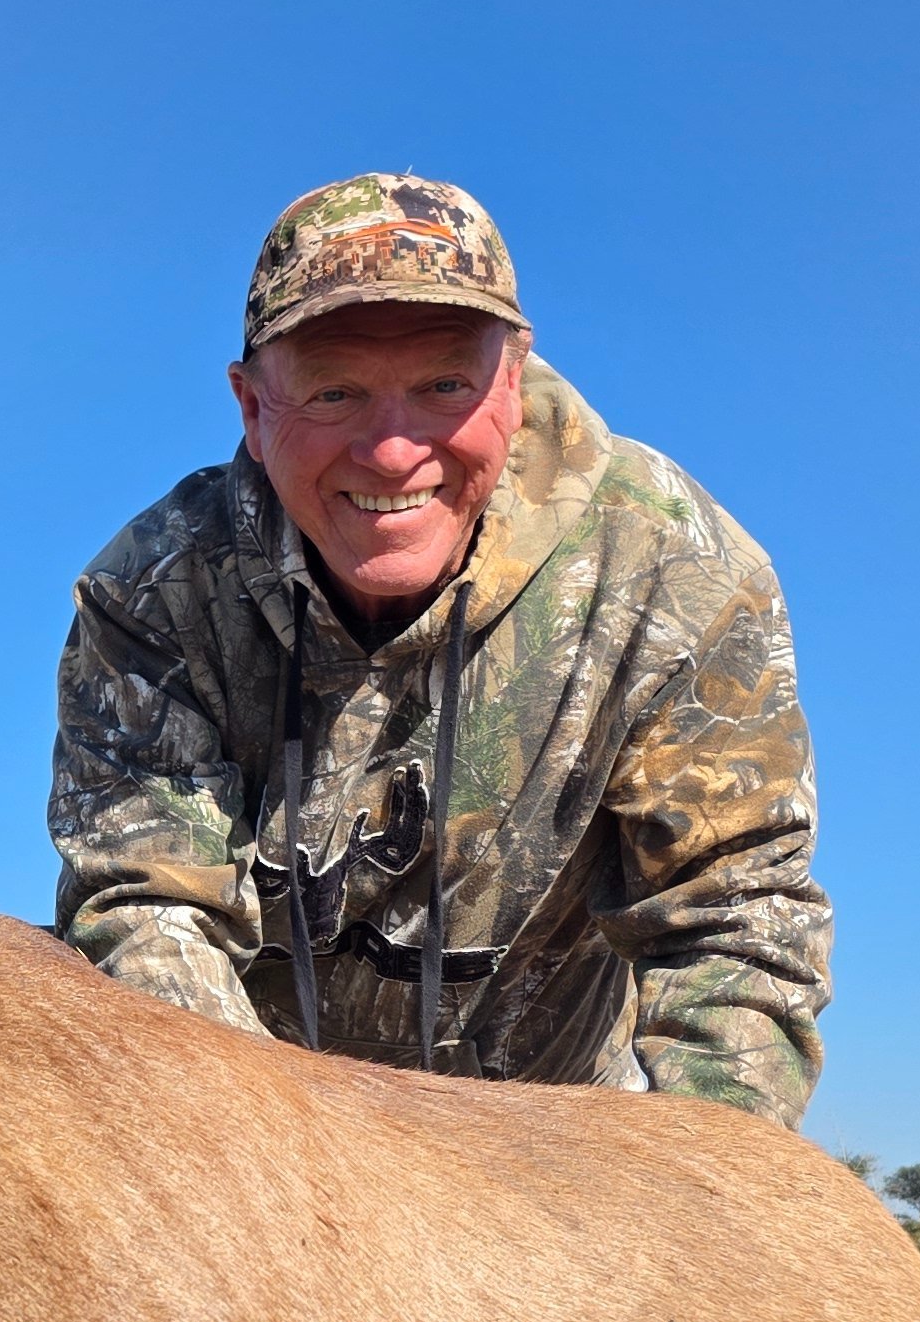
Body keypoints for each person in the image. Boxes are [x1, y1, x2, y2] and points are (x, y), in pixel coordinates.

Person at [49, 173, 830, 1121]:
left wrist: (700, 1195)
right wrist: (285, 1176)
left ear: (512, 379)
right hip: (261, 1147)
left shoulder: (675, 570)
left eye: (444, 386)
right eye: (333, 392)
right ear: (252, 408)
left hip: (552, 1152)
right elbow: (145, 910)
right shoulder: (154, 594)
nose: (391, 452)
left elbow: (735, 916)